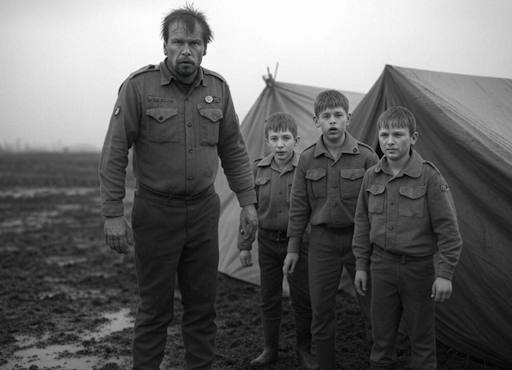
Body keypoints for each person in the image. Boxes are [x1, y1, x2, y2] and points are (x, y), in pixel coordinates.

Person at [98, 5, 258, 370]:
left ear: (205, 48)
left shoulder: (218, 89)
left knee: (203, 309)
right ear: (166, 45)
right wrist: (112, 213)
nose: (186, 50)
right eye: (178, 41)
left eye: (194, 42)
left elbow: (233, 149)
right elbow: (115, 152)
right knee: (155, 310)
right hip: (155, 212)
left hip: (203, 212)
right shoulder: (139, 87)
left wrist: (248, 203)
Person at [352, 106, 463, 370]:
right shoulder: (371, 176)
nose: (389, 141)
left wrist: (445, 274)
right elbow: (362, 222)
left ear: (413, 138)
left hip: (418, 270)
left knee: (422, 343)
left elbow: (449, 231)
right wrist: (360, 265)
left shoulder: (429, 177)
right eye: (384, 134)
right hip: (380, 267)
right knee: (381, 341)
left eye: (398, 134)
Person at [284, 90, 378, 370]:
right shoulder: (307, 160)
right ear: (317, 121)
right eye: (326, 117)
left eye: (338, 115)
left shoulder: (366, 157)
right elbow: (299, 206)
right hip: (322, 242)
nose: (333, 121)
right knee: (321, 310)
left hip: (359, 241)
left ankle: (379, 361)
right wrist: (292, 248)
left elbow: (378, 206)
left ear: (348, 118)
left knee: (373, 307)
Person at [238, 112, 318, 370]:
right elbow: (249, 210)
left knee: (302, 300)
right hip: (268, 244)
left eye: (286, 138)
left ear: (296, 140)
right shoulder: (258, 168)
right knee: (269, 299)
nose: (280, 144)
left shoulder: (307, 168)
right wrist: (244, 245)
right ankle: (270, 349)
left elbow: (314, 208)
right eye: (275, 138)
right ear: (267, 141)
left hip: (299, 245)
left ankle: (304, 349)